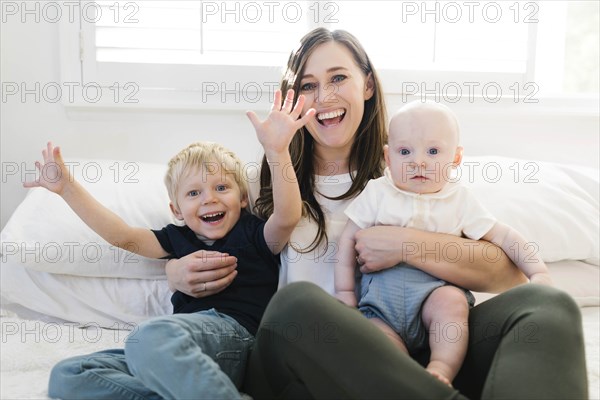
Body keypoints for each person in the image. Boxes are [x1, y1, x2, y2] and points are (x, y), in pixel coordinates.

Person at [166, 28, 587, 399]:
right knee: (298, 305)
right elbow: (208, 240)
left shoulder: (414, 167)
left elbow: (505, 273)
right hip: (315, 359)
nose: (325, 97)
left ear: (367, 84)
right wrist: (175, 271)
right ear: (294, 99)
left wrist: (406, 245)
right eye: (309, 86)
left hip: (431, 349)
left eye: (338, 78)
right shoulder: (265, 184)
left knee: (547, 305)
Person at [26, 89, 315, 399]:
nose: (210, 198)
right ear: (176, 210)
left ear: (243, 199)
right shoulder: (177, 239)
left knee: (152, 335)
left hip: (234, 338)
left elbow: (287, 217)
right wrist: (67, 188)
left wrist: (277, 150)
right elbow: (123, 237)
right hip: (172, 352)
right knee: (68, 376)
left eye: (221, 187)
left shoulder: (252, 233)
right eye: (193, 193)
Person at [335, 100, 553, 386]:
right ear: (388, 158)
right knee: (377, 339)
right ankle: (407, 379)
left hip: (433, 296)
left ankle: (441, 370)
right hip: (380, 306)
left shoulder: (459, 201)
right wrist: (345, 291)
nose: (419, 162)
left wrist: (538, 272)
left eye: (434, 151)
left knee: (451, 304)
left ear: (456, 158)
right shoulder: (379, 192)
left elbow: (503, 235)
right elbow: (348, 240)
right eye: (405, 152)